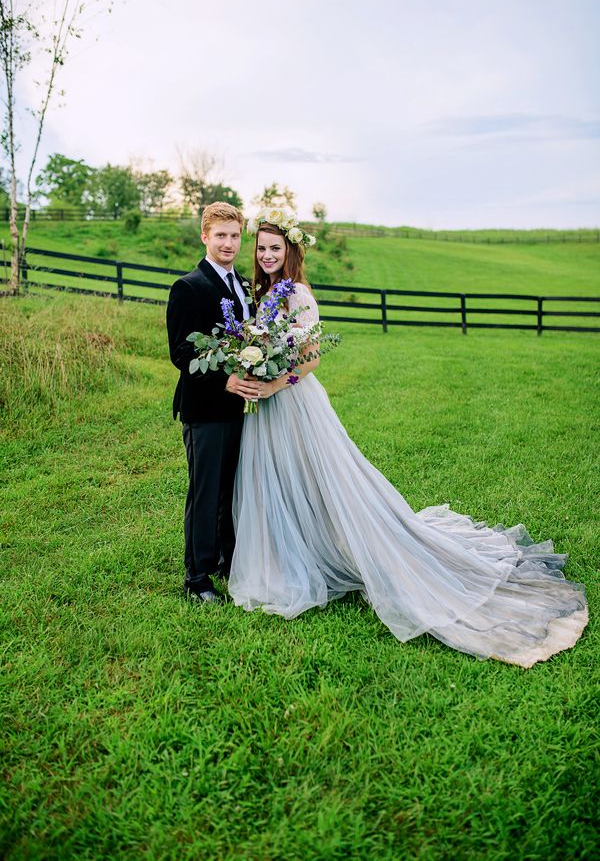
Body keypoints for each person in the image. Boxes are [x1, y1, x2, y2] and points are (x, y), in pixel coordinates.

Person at [228, 210, 588, 667]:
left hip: (294, 401)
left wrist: (275, 384)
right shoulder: (260, 291)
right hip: (267, 408)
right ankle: (293, 552)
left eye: (274, 248)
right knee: (282, 480)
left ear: (291, 251)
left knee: (327, 479)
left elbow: (312, 357)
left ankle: (347, 550)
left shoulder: (298, 293)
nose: (266, 255)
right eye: (260, 248)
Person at [166, 201, 260, 603]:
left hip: (241, 409)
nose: (228, 243)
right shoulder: (189, 286)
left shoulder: (243, 285)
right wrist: (228, 379)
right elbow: (182, 355)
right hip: (205, 408)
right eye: (220, 235)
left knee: (230, 488)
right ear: (204, 236)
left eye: (235, 235)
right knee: (205, 491)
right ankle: (198, 578)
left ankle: (226, 558)